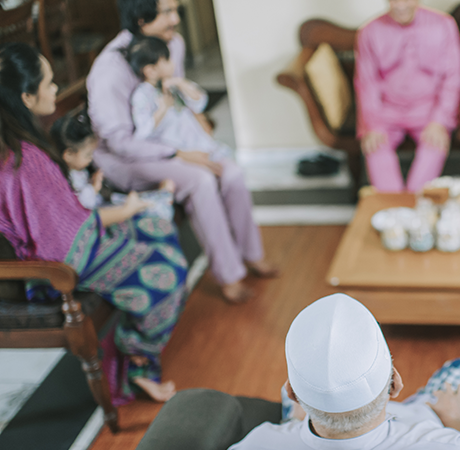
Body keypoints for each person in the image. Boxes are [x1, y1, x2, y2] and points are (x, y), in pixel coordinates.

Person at [0, 42, 186, 403]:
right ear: (25, 95)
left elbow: (60, 216)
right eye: (49, 83)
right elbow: (59, 240)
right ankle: (136, 363)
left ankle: (136, 341)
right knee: (169, 271)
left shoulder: (19, 146)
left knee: (158, 227)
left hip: (75, 239)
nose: (55, 89)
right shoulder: (23, 160)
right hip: (62, 263)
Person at [218, 294, 460, 450]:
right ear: (395, 383)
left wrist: (288, 426)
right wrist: (456, 425)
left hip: (303, 429)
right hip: (431, 420)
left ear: (293, 394)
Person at [87, 0, 276, 304]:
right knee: (200, 179)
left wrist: (194, 120)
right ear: (140, 20)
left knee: (232, 171)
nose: (176, 19)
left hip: (172, 143)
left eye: (177, 10)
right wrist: (178, 154)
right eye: (167, 13)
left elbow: (177, 94)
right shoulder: (110, 69)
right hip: (127, 159)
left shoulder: (173, 43)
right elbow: (120, 142)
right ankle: (229, 275)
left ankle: (251, 254)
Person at [355, 0, 460, 193]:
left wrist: (440, 121)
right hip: (386, 111)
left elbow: (453, 78)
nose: (400, 5)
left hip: (429, 111)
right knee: (375, 149)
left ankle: (414, 208)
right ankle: (393, 209)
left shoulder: (444, 24)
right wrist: (373, 125)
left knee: (432, 151)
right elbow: (366, 82)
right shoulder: (368, 32)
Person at [50, 106, 175, 218]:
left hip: (105, 203)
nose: (91, 158)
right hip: (99, 214)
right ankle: (160, 203)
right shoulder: (65, 179)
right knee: (144, 207)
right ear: (69, 155)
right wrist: (93, 188)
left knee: (139, 197)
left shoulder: (79, 170)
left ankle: (159, 200)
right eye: (88, 155)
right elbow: (80, 206)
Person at [126, 36, 232, 163]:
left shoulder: (172, 85)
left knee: (228, 160)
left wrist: (179, 82)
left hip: (198, 141)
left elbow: (200, 102)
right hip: (178, 151)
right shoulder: (141, 95)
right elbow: (142, 133)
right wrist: (163, 109)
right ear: (151, 70)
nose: (173, 63)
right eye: (167, 60)